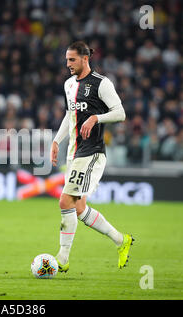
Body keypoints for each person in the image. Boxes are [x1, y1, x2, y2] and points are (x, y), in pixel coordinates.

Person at [50, 41, 134, 272]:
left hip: (92, 153)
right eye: (66, 60)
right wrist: (57, 141)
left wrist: (97, 117)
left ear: (85, 59)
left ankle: (62, 259)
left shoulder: (101, 83)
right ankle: (121, 240)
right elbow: (70, 115)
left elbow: (120, 113)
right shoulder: (68, 85)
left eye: (72, 60)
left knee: (65, 201)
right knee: (78, 208)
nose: (68, 64)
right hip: (74, 153)